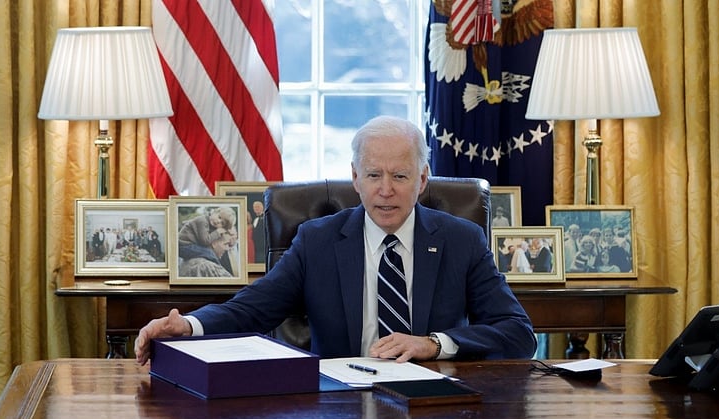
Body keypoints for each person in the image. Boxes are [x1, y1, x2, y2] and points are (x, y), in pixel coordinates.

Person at [134, 116, 536, 365]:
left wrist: (434, 344)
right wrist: (188, 326)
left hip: (436, 404)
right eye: (373, 175)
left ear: (423, 180)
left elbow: (518, 334)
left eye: (400, 176)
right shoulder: (318, 241)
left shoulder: (461, 240)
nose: (385, 190)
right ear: (355, 179)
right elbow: (251, 310)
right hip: (338, 404)